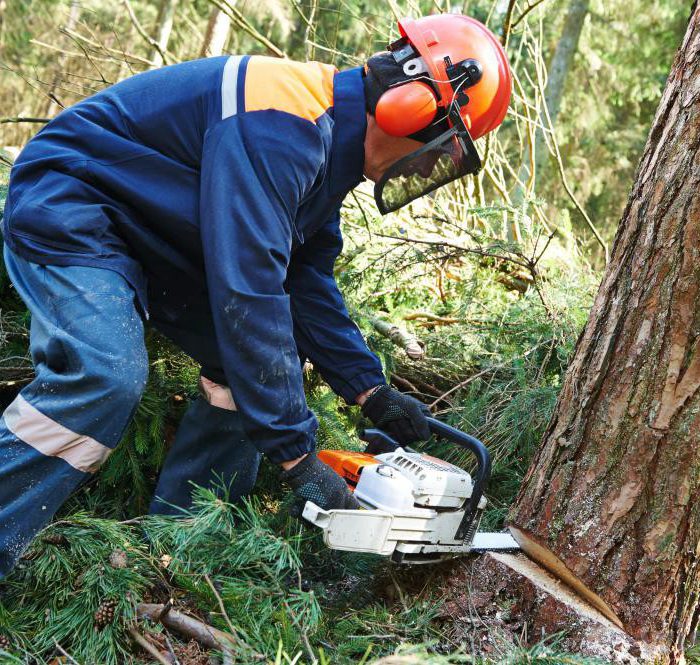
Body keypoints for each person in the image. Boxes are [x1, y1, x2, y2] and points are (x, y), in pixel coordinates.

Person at [0, 14, 511, 578]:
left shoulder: (324, 145)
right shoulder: (280, 123)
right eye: (442, 145)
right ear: (409, 106)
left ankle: (181, 550)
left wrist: (370, 391)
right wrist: (298, 457)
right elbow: (251, 290)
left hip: (154, 232)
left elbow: (305, 282)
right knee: (106, 375)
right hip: (73, 204)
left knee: (247, 370)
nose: (434, 161)